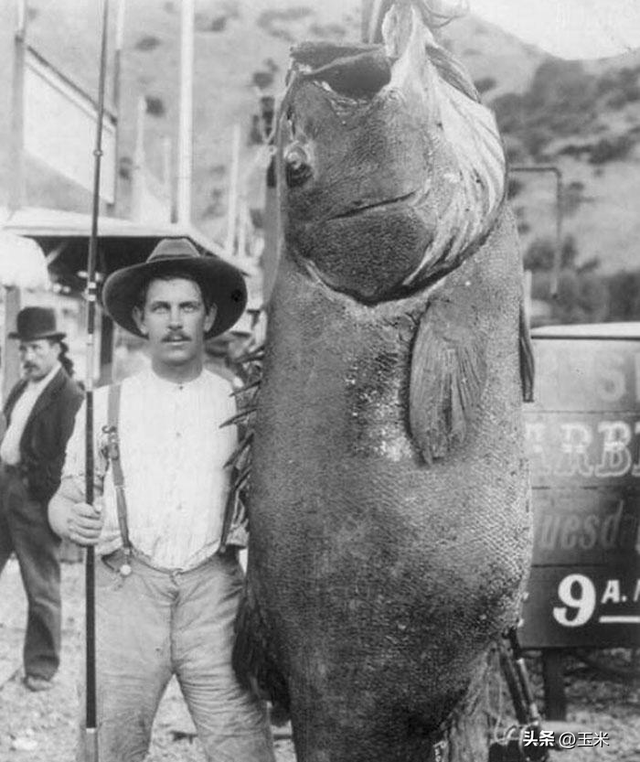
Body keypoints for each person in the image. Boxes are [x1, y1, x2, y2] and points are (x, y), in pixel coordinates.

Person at [49, 238, 275, 762]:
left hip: (215, 598)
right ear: (141, 319)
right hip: (127, 594)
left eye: (188, 307)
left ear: (209, 315)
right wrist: (69, 519)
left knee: (243, 746)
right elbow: (64, 496)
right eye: (161, 308)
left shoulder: (242, 404)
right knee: (111, 747)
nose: (175, 321)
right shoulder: (105, 405)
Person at [0, 306, 83, 692]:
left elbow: (69, 457)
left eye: (35, 348)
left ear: (54, 348)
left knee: (41, 586)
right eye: (23, 350)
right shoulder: (23, 386)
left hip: (35, 498)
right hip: (5, 488)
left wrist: (42, 496)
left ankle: (41, 668)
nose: (28, 357)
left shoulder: (68, 395)